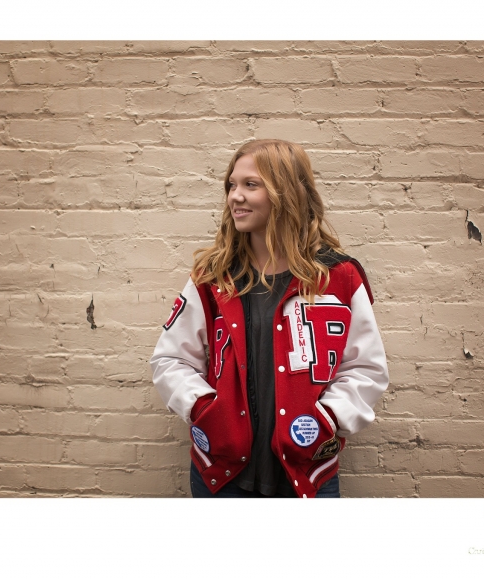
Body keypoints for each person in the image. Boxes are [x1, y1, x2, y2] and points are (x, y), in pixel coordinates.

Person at [150, 139, 389, 498]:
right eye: (231, 185)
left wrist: (328, 420)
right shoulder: (213, 277)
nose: (235, 196)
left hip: (308, 473)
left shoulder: (339, 278)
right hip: (222, 474)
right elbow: (171, 360)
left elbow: (366, 369)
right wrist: (205, 409)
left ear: (286, 193)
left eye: (250, 184)